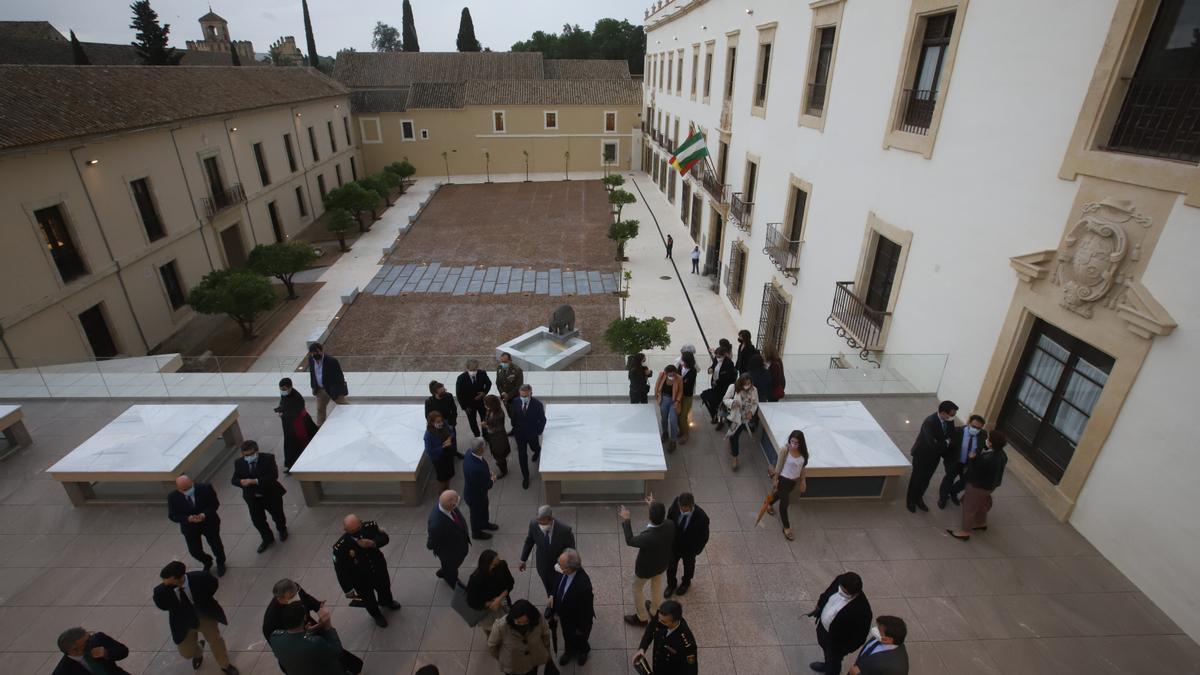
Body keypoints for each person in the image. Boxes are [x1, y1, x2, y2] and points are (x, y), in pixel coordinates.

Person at [153, 560, 238, 674]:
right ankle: (198, 651)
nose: (166, 585)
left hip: (204, 616)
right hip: (182, 622)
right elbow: (162, 605)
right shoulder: (161, 591)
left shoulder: (201, 578)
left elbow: (213, 585)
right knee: (186, 652)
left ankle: (225, 665)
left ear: (180, 578)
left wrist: (203, 602)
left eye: (169, 582)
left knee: (215, 640)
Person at [262, 579, 363, 674]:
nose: (296, 598)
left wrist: (318, 607)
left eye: (295, 594)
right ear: (280, 599)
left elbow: (306, 598)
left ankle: (354, 667)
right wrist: (320, 628)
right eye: (291, 597)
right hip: (299, 646)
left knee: (331, 650)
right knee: (326, 653)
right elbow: (282, 649)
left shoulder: (294, 588)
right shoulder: (271, 622)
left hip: (307, 627)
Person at [332, 514, 401, 627]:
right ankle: (376, 615)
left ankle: (387, 602)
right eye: (352, 531)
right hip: (360, 579)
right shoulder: (340, 547)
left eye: (358, 528)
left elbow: (385, 538)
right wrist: (347, 589)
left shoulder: (370, 527)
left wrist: (373, 544)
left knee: (384, 587)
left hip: (377, 568)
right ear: (345, 530)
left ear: (361, 522)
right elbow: (340, 571)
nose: (357, 532)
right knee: (368, 599)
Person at [619, 499, 676, 626]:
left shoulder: (648, 537)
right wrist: (653, 506)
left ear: (650, 516)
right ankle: (655, 610)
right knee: (657, 585)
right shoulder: (670, 525)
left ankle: (642, 617)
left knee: (637, 588)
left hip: (645, 569)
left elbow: (630, 540)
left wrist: (626, 519)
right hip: (661, 564)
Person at [947, 430, 1009, 541]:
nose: (986, 439)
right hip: (990, 486)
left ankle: (964, 532)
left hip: (978, 486)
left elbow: (974, 470)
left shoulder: (988, 458)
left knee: (969, 508)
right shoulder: (1002, 455)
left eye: (988, 438)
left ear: (991, 443)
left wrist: (971, 459)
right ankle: (981, 522)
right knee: (982, 504)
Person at [807, 571, 872, 674]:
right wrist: (819, 606)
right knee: (826, 652)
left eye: (844, 591)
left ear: (854, 593)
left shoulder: (863, 611)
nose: (840, 591)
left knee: (834, 661)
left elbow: (859, 638)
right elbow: (827, 593)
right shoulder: (840, 581)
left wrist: (841, 650)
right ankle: (826, 665)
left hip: (837, 644)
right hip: (824, 630)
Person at [231, 440, 287, 554]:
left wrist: (255, 481)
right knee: (257, 520)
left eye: (251, 454)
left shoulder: (268, 458)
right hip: (252, 498)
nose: (248, 457)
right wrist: (241, 482)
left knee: (277, 515)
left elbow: (273, 476)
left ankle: (282, 529)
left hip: (270, 495)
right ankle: (267, 538)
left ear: (256, 451)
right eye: (246, 455)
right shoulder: (239, 462)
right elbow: (234, 479)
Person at [167, 475, 226, 576]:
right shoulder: (173, 497)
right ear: (178, 489)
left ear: (192, 483)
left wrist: (204, 514)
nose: (188, 490)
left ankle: (221, 563)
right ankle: (207, 561)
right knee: (194, 550)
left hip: (208, 523)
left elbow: (214, 504)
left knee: (216, 545)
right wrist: (187, 518)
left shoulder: (205, 488)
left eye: (189, 488)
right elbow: (173, 515)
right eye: (184, 489)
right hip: (190, 527)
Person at [905, 400, 958, 513]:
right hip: (922, 454)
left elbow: (952, 437)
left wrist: (943, 442)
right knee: (917, 478)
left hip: (935, 456)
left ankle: (919, 498)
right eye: (951, 414)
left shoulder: (949, 421)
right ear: (943, 413)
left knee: (926, 479)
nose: (953, 417)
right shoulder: (930, 422)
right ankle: (910, 500)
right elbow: (931, 443)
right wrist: (946, 442)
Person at [268, 602, 343, 675]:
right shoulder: (315, 643)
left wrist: (307, 632)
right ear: (304, 618)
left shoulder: (275, 637)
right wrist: (328, 626)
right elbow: (336, 651)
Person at [548, 548, 593, 667]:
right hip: (565, 616)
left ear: (569, 569)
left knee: (580, 637)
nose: (557, 566)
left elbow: (586, 611)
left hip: (577, 620)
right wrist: (552, 594)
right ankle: (569, 651)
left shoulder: (583, 586)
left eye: (561, 565)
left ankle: (583, 651)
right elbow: (556, 583)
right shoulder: (562, 571)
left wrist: (581, 628)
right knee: (566, 635)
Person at [519, 505, 576, 597]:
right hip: (542, 565)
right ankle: (551, 602)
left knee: (560, 588)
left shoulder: (565, 530)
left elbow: (571, 549)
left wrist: (565, 564)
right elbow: (529, 541)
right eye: (539, 522)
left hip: (560, 567)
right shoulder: (534, 524)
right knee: (548, 588)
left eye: (543, 523)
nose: (540, 525)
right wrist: (523, 559)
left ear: (550, 519)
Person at [486, 599, 552, 675]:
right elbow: (492, 646)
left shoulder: (537, 618)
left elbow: (545, 634)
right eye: (518, 622)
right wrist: (501, 657)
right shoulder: (501, 627)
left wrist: (546, 649)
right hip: (513, 665)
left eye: (526, 621)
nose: (522, 625)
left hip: (533, 661)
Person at [634, 600, 698, 674]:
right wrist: (642, 648)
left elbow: (691, 671)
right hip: (657, 664)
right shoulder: (662, 616)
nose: (659, 621)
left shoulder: (687, 644)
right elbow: (651, 629)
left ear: (675, 621)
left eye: (663, 621)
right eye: (658, 618)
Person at [665, 492, 709, 597]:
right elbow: (670, 516)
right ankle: (671, 585)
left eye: (685, 509)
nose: (682, 510)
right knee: (671, 566)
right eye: (681, 508)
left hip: (689, 548)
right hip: (674, 544)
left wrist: (696, 551)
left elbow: (704, 537)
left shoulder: (702, 517)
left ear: (692, 505)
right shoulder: (676, 503)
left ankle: (685, 583)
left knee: (689, 567)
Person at [767, 430, 809, 541]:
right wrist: (775, 480)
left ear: (801, 443)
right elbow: (778, 466)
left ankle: (768, 503)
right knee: (784, 504)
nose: (793, 445)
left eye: (796, 443)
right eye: (792, 441)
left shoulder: (804, 454)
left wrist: (803, 481)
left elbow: (803, 468)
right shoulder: (785, 450)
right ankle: (787, 527)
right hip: (783, 480)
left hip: (793, 482)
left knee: (780, 495)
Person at [938, 414, 987, 509]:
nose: (975, 429)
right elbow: (947, 447)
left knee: (965, 482)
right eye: (973, 426)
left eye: (978, 428)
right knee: (948, 479)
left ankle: (953, 492)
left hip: (968, 464)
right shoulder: (957, 432)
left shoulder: (983, 434)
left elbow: (982, 447)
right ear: (968, 423)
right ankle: (943, 498)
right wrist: (947, 460)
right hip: (955, 462)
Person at [427, 489, 471, 588]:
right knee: (451, 569)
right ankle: (451, 580)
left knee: (449, 567)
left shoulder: (447, 506)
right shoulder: (437, 525)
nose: (459, 499)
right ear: (452, 505)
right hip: (450, 554)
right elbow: (430, 544)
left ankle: (445, 570)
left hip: (458, 547)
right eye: (457, 500)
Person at [466, 549, 515, 633]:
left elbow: (510, 583)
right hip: (485, 610)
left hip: (503, 602)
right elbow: (471, 601)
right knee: (492, 630)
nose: (497, 565)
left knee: (506, 624)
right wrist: (490, 604)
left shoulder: (502, 565)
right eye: (494, 564)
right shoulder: (475, 579)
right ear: (485, 565)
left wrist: (499, 599)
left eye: (497, 562)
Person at [275, 377, 318, 472]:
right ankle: (292, 464)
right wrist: (280, 409)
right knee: (290, 444)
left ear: (290, 387)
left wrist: (283, 414)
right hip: (289, 425)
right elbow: (284, 404)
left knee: (298, 444)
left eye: (284, 389)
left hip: (300, 424)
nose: (282, 391)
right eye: (281, 389)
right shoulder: (286, 394)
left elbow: (295, 412)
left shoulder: (297, 397)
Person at [510, 384, 546, 490]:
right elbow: (514, 416)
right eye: (521, 395)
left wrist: (538, 431)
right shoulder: (516, 401)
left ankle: (537, 451)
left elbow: (542, 420)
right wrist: (514, 426)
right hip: (520, 434)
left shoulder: (537, 405)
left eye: (525, 396)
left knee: (535, 447)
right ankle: (526, 477)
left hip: (532, 434)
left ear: (531, 393)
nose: (523, 398)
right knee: (522, 456)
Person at [463, 437, 499, 539]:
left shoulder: (469, 453)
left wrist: (487, 473)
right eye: (484, 446)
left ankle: (484, 523)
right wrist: (492, 479)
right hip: (475, 496)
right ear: (480, 449)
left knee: (483, 509)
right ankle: (476, 533)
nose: (486, 447)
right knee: (475, 514)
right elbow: (486, 485)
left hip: (477, 492)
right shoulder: (476, 469)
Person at [53, 627, 130, 675]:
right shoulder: (62, 671)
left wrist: (107, 653)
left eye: (89, 637)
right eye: (86, 642)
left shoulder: (98, 639)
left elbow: (123, 651)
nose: (91, 641)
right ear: (73, 650)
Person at [722, 374, 760, 471]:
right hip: (733, 418)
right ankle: (735, 457)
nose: (747, 385)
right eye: (745, 383)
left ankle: (732, 447)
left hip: (744, 419)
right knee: (734, 437)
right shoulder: (733, 387)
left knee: (735, 436)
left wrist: (751, 412)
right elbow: (725, 399)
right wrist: (733, 403)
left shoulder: (754, 390)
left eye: (749, 383)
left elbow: (755, 403)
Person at [306, 342, 348, 426]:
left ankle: (352, 419)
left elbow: (339, 377)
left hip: (333, 389)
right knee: (320, 409)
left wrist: (338, 391)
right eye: (313, 353)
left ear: (322, 351)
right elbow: (312, 373)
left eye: (317, 352)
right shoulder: (311, 359)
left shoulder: (332, 361)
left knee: (344, 406)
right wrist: (313, 386)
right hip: (320, 390)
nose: (315, 354)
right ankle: (320, 428)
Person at [455, 359, 492, 438]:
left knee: (484, 418)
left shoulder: (482, 373)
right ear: (467, 368)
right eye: (472, 369)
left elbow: (489, 383)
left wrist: (484, 393)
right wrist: (464, 407)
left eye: (476, 368)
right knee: (472, 421)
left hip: (481, 402)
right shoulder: (461, 378)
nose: (475, 370)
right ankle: (477, 435)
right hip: (469, 405)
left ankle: (486, 435)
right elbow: (459, 394)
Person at [701, 346, 737, 427]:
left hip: (724, 388)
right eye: (716, 356)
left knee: (721, 404)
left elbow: (728, 377)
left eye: (719, 357)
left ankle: (721, 421)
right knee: (705, 396)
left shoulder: (729, 363)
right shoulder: (716, 360)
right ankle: (714, 415)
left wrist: (717, 381)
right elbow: (713, 366)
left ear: (724, 355)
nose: (717, 358)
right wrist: (710, 369)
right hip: (715, 387)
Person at [425, 381, 461, 456]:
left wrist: (453, 422)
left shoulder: (449, 396)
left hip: (449, 422)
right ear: (435, 392)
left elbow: (454, 410)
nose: (444, 391)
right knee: (441, 441)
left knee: (452, 438)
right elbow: (428, 416)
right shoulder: (429, 402)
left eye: (444, 389)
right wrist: (436, 425)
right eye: (442, 390)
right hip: (438, 425)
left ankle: (455, 452)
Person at [424, 410, 457, 493]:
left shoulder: (444, 424)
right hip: (439, 460)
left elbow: (452, 432)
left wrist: (449, 438)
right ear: (431, 423)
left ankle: (448, 492)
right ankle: (443, 497)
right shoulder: (428, 435)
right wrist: (443, 446)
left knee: (449, 476)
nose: (441, 423)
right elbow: (430, 451)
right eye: (438, 422)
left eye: (441, 420)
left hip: (448, 455)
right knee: (442, 480)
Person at [481, 394, 512, 477]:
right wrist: (486, 422)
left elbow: (499, 428)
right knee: (496, 453)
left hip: (499, 438)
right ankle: (500, 462)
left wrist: (486, 426)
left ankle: (503, 471)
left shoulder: (499, 414)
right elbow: (487, 418)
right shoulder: (490, 410)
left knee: (500, 455)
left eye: (486, 404)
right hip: (492, 437)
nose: (485, 406)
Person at [655, 364, 683, 452]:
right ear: (666, 373)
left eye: (673, 374)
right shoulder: (662, 375)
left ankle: (673, 441)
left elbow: (681, 391)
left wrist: (677, 401)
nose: (671, 376)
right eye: (669, 375)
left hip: (674, 401)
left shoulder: (679, 378)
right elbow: (657, 386)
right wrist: (657, 397)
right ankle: (665, 433)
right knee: (664, 418)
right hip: (664, 399)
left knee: (673, 420)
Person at [495, 352, 524, 424]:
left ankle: (518, 430)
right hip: (505, 398)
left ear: (510, 360)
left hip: (514, 397)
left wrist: (509, 395)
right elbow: (498, 383)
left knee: (516, 415)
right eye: (502, 361)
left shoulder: (517, 370)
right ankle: (514, 429)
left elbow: (519, 386)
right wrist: (503, 393)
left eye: (505, 362)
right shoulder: (499, 368)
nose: (503, 363)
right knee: (510, 414)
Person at [678, 352, 698, 444]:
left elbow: (688, 386)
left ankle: (686, 434)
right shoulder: (680, 367)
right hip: (679, 395)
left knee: (683, 416)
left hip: (686, 396)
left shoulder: (693, 371)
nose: (682, 362)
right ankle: (681, 430)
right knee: (678, 414)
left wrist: (681, 382)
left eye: (684, 360)